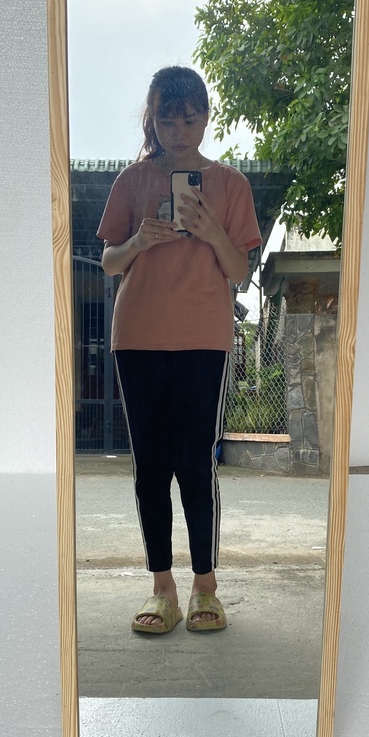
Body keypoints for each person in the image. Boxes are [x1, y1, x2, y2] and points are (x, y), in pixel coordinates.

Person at [97, 66, 262, 634]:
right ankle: (162, 588)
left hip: (204, 339)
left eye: (190, 119)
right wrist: (140, 239)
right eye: (168, 120)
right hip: (137, 337)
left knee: (195, 463)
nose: (180, 131)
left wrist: (212, 231)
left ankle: (205, 588)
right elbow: (109, 262)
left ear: (206, 118)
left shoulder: (231, 185)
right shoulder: (131, 181)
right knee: (150, 466)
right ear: (153, 119)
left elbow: (238, 272)